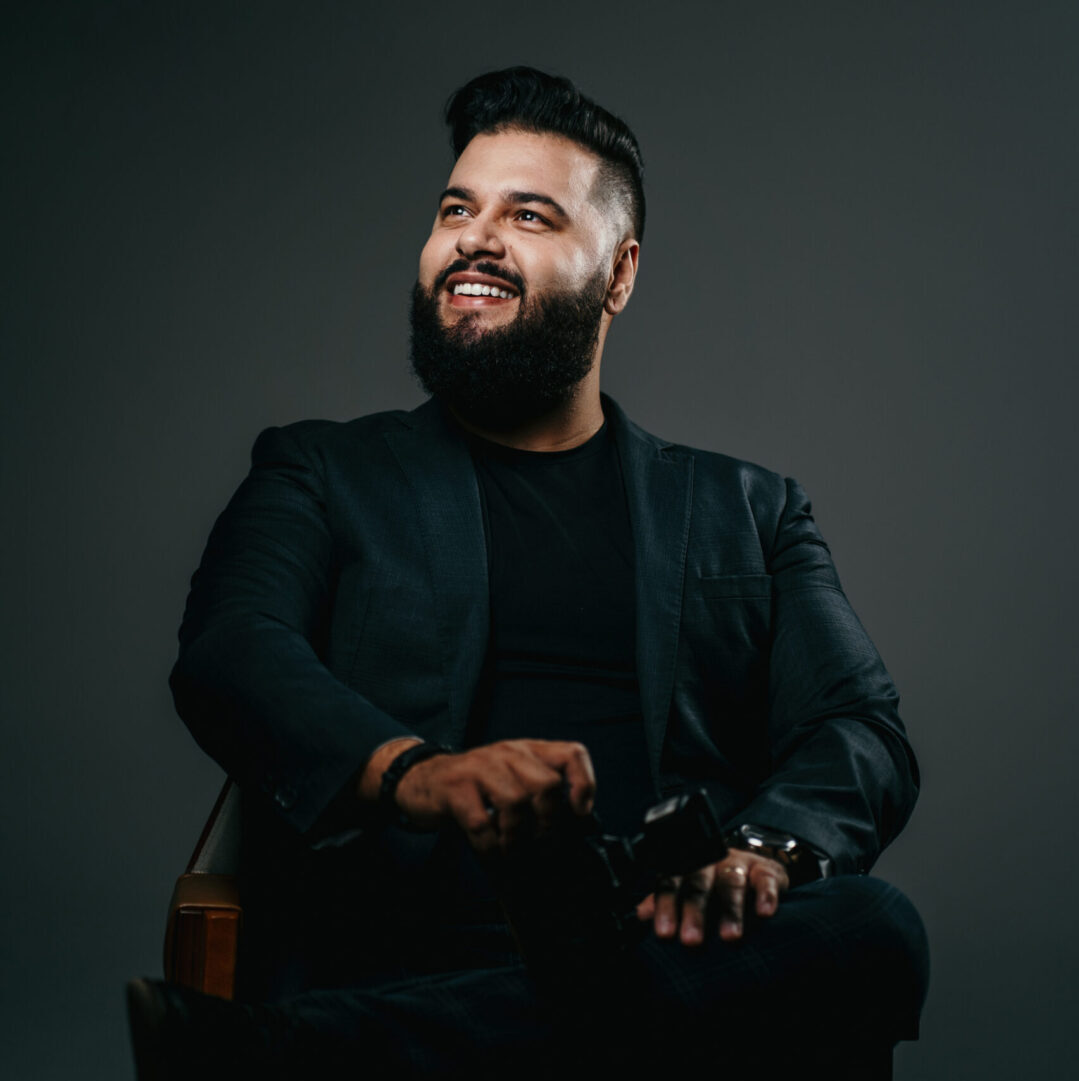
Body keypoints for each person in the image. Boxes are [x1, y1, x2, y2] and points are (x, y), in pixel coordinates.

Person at [129, 67, 928, 1080]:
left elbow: (859, 727)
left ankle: (286, 1060)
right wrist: (417, 771)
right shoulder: (319, 471)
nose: (474, 238)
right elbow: (231, 650)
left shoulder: (751, 509)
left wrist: (758, 854)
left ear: (618, 274)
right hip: (408, 945)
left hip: (670, 949)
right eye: (455, 209)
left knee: (870, 924)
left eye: (529, 215)